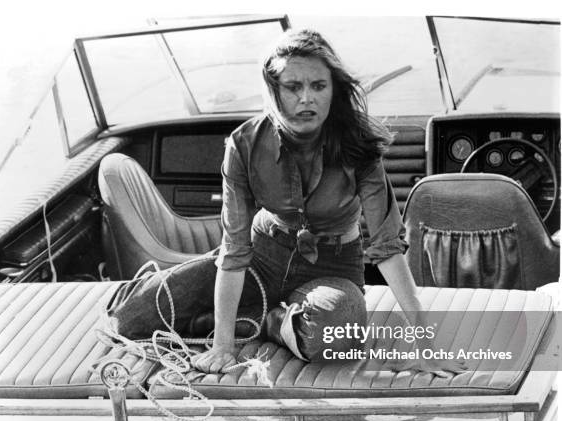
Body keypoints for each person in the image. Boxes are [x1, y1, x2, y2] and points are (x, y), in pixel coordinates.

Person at [100, 29, 465, 377]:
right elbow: (234, 250)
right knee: (128, 321)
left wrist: (426, 344)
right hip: (261, 257)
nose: (306, 98)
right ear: (273, 90)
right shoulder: (242, 146)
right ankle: (237, 313)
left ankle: (269, 320)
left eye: (318, 86)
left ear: (333, 91)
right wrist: (223, 346)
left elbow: (387, 247)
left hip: (333, 267)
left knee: (337, 333)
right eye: (293, 87)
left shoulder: (360, 145)